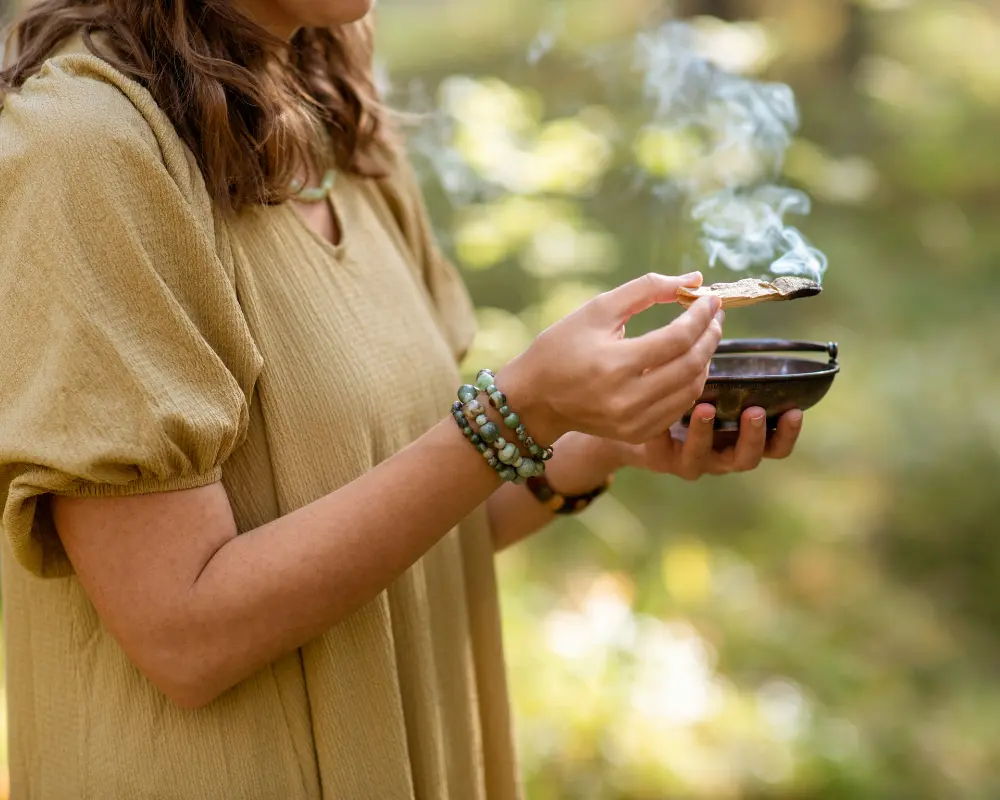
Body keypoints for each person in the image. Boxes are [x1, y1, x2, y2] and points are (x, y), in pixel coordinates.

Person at [0, 1, 804, 797]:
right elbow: (183, 638)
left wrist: (599, 439)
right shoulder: (89, 150)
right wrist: (519, 411)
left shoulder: (337, 118)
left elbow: (427, 521)